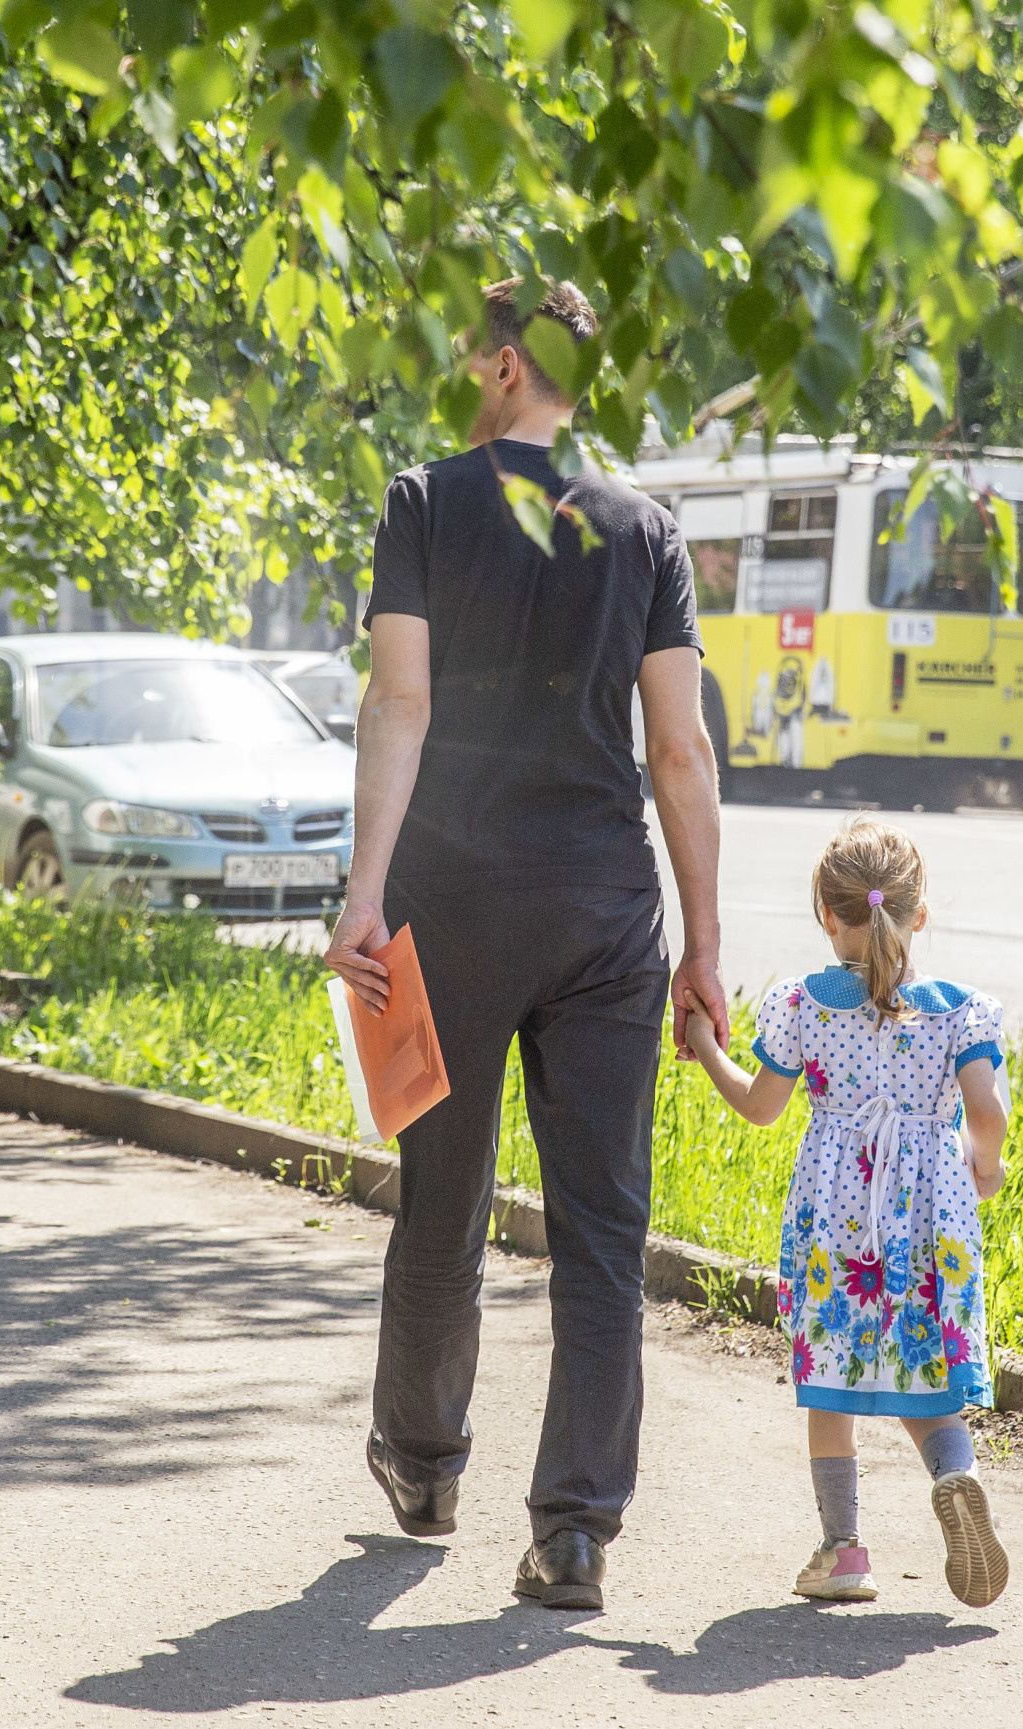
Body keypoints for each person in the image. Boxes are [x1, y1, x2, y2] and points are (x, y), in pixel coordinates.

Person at [325, 278, 727, 1612]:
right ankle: (573, 1533)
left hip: (454, 904)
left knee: (440, 1203)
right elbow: (677, 750)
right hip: (606, 911)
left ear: (504, 369)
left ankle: (423, 1466)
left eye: (463, 355)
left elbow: (399, 701)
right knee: (603, 1229)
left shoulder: (424, 503)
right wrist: (703, 942)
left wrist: (364, 895)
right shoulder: (644, 527)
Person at [678, 819, 1013, 1609]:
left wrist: (704, 1041)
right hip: (931, 1217)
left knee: (832, 1382)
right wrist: (984, 1162)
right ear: (917, 914)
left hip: (839, 1220)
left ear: (827, 916)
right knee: (926, 1370)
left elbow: (762, 1106)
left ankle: (844, 1551)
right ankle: (956, 1473)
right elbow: (986, 1108)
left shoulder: (804, 1003)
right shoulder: (957, 1010)